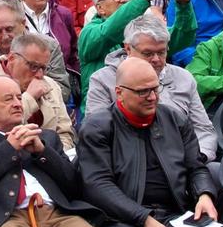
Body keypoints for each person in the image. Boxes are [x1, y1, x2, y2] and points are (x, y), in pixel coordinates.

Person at [77, 56, 217, 227]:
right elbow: (98, 185)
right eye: (143, 91)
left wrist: (204, 194)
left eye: (155, 89)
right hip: (120, 218)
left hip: (174, 212)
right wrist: (144, 219)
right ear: (119, 92)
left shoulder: (175, 119)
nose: (152, 97)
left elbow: (196, 167)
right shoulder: (97, 127)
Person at [0, 73, 102, 227]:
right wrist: (8, 148)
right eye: (8, 99)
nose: (18, 104)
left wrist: (43, 152)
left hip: (59, 214)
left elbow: (74, 187)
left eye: (19, 97)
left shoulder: (46, 137)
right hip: (7, 219)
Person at [84, 16, 215, 158]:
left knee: (214, 171)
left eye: (162, 52)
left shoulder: (183, 78)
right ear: (127, 48)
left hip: (184, 160)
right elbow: (96, 133)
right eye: (148, 53)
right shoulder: (103, 80)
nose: (156, 59)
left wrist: (199, 157)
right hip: (128, 162)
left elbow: (203, 129)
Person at [0, 31, 75, 149]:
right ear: (11, 58)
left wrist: (55, 158)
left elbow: (65, 133)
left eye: (43, 68)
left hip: (46, 159)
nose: (39, 74)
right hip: (1, 159)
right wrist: (29, 98)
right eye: (34, 67)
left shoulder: (50, 84)